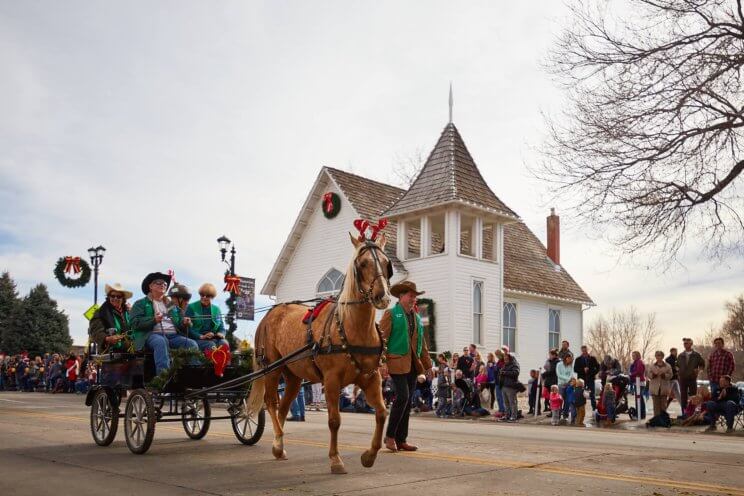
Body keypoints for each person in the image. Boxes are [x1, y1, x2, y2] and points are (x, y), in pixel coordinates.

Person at [379, 280, 432, 452]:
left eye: (415, 296)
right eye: (411, 296)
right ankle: (390, 436)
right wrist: (382, 362)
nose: (413, 299)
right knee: (402, 397)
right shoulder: (391, 314)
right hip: (396, 362)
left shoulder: (416, 317)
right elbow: (381, 340)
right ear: (401, 296)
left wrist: (428, 365)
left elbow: (421, 343)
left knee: (408, 401)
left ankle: (401, 439)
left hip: (413, 364)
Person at [130, 272, 198, 375]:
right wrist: (153, 320)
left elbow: (179, 322)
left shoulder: (171, 305)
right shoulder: (140, 303)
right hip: (151, 335)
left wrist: (185, 322)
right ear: (151, 286)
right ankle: (164, 378)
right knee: (161, 342)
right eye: (159, 283)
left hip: (173, 336)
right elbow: (134, 323)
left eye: (165, 284)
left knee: (191, 344)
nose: (163, 285)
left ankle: (193, 376)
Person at [89, 283, 134, 353]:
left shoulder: (128, 312)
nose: (115, 298)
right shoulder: (100, 312)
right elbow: (95, 332)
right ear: (109, 297)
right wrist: (107, 338)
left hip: (130, 349)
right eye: (112, 296)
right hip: (110, 351)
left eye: (118, 296)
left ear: (123, 299)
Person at [186, 283, 230, 352]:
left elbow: (221, 327)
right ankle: (210, 363)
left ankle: (225, 363)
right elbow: (188, 329)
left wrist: (221, 333)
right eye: (202, 295)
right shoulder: (191, 307)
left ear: (212, 297)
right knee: (210, 345)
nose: (204, 297)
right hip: (197, 338)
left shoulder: (217, 309)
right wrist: (202, 336)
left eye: (207, 296)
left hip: (213, 338)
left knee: (224, 343)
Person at [677, 337, 705, 411]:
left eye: (687, 343)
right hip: (682, 379)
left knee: (693, 396)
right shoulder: (680, 355)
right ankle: (684, 413)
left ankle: (692, 412)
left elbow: (702, 365)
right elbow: (676, 366)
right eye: (684, 343)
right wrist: (678, 371)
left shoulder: (696, 355)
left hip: (692, 378)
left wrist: (699, 370)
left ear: (691, 344)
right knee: (683, 397)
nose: (685, 344)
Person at [646, 350, 673, 417]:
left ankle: (663, 419)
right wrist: (654, 375)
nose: (658, 357)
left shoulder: (668, 366)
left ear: (662, 356)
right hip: (654, 389)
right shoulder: (652, 366)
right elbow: (648, 374)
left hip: (664, 389)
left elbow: (670, 375)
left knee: (663, 406)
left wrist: (664, 375)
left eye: (659, 355)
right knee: (656, 406)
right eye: (656, 355)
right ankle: (656, 419)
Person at [574, 345, 599, 410]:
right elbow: (575, 369)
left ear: (587, 350)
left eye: (585, 350)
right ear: (581, 350)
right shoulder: (578, 359)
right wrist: (583, 369)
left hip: (590, 379)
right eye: (583, 350)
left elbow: (598, 367)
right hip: (581, 381)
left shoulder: (593, 358)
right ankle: (581, 409)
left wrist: (592, 372)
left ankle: (594, 410)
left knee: (592, 395)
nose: (584, 352)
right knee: (581, 394)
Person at [499, 352, 521, 422]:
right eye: (504, 358)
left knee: (512, 402)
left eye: (506, 357)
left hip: (511, 386)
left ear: (510, 358)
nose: (505, 359)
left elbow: (516, 373)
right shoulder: (505, 365)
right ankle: (507, 415)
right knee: (506, 403)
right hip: (504, 386)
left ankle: (514, 416)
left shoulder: (514, 364)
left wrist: (505, 373)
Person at [629, 351, 647, 420]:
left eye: (634, 355)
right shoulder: (635, 362)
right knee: (639, 399)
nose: (632, 356)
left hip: (640, 382)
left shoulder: (639, 362)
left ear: (637, 355)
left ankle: (640, 415)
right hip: (637, 382)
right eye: (632, 355)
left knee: (639, 399)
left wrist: (631, 374)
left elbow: (639, 372)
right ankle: (640, 414)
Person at [556, 354, 575, 420]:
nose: (570, 360)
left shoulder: (570, 366)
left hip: (568, 385)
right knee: (560, 400)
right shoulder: (559, 364)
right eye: (569, 358)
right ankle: (558, 415)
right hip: (561, 385)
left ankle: (565, 415)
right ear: (566, 358)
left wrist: (569, 380)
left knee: (567, 401)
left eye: (571, 359)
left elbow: (571, 374)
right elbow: (558, 374)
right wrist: (567, 379)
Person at [542, 349, 559, 415]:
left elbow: (553, 370)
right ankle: (552, 410)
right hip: (548, 381)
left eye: (550, 355)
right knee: (549, 397)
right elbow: (547, 368)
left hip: (554, 381)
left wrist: (543, 374)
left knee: (554, 397)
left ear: (554, 355)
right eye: (549, 355)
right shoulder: (549, 361)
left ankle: (554, 411)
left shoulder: (557, 362)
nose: (549, 356)